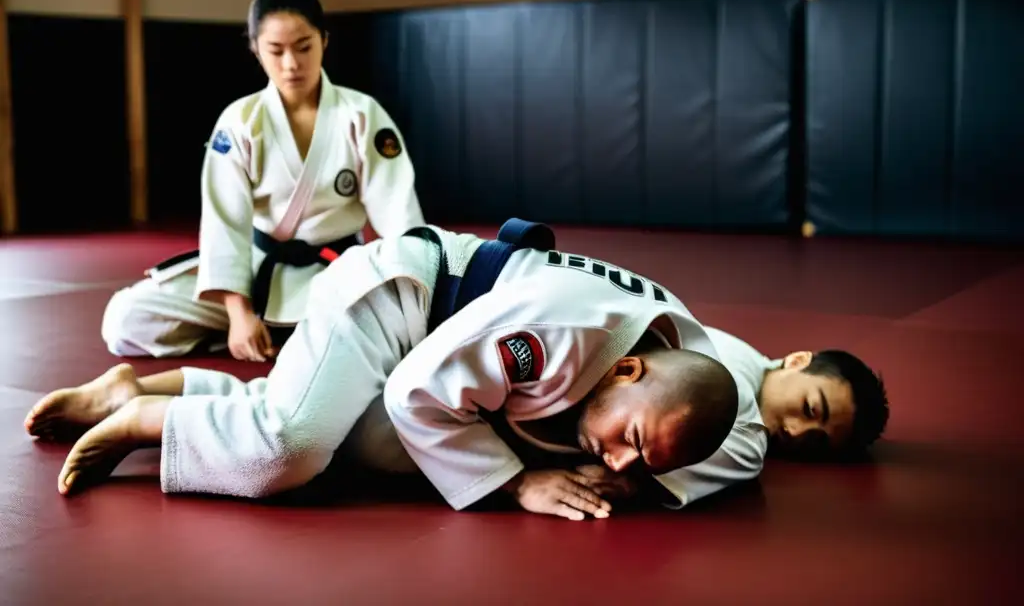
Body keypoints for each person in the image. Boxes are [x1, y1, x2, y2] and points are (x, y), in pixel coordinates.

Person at [26, 220, 741, 521]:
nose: (618, 460)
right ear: (627, 370)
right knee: (292, 452)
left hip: (444, 342)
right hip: (396, 299)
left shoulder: (686, 361)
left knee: (361, 449)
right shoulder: (559, 330)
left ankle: (146, 384)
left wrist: (640, 478)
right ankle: (147, 418)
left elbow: (709, 427)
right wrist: (518, 481)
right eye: (633, 442)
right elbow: (413, 392)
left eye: (640, 462)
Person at [102, 0, 424, 362]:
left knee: (405, 321)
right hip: (253, 275)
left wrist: (417, 285)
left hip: (335, 274)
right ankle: (261, 333)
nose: (291, 63)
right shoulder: (240, 122)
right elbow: (225, 224)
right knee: (125, 319)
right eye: (276, 50)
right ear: (255, 48)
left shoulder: (361, 114)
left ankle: (285, 335)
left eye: (304, 47)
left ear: (324, 41)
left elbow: (399, 216)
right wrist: (238, 314)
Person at [566, 327, 890, 508]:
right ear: (797, 360)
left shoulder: (729, 346)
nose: (794, 430)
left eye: (816, 441)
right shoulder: (747, 445)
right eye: (810, 409)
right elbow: (606, 478)